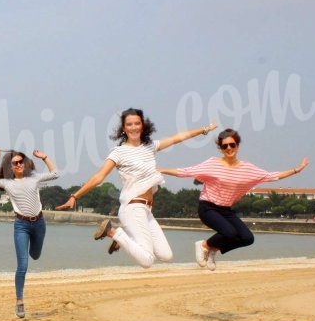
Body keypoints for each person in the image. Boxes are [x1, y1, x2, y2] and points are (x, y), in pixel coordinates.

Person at [56, 109, 216, 268]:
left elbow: (177, 138)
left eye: (137, 123)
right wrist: (74, 196)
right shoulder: (118, 152)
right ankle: (113, 232)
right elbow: (99, 177)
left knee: (166, 255)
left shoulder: (150, 147)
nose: (133, 127)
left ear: (143, 126)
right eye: (129, 124)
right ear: (124, 129)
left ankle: (122, 238)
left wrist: (204, 130)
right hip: (132, 208)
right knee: (147, 260)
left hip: (146, 210)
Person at [159, 128, 309, 270]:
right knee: (229, 233)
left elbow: (271, 176)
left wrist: (296, 170)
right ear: (220, 148)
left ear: (237, 145)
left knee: (247, 238)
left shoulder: (247, 168)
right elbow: (186, 172)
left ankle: (213, 249)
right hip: (208, 208)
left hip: (226, 210)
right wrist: (161, 170)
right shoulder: (213, 164)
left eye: (232, 144)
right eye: (225, 146)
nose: (229, 148)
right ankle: (204, 245)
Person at [0, 148, 59, 318]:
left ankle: (32, 248)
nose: (18, 165)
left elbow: (55, 173)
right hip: (21, 226)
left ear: (25, 163)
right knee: (23, 266)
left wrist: (44, 156)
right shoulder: (7, 183)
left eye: (21, 161)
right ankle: (19, 302)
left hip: (39, 223)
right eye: (15, 163)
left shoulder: (34, 178)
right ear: (10, 167)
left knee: (36, 255)